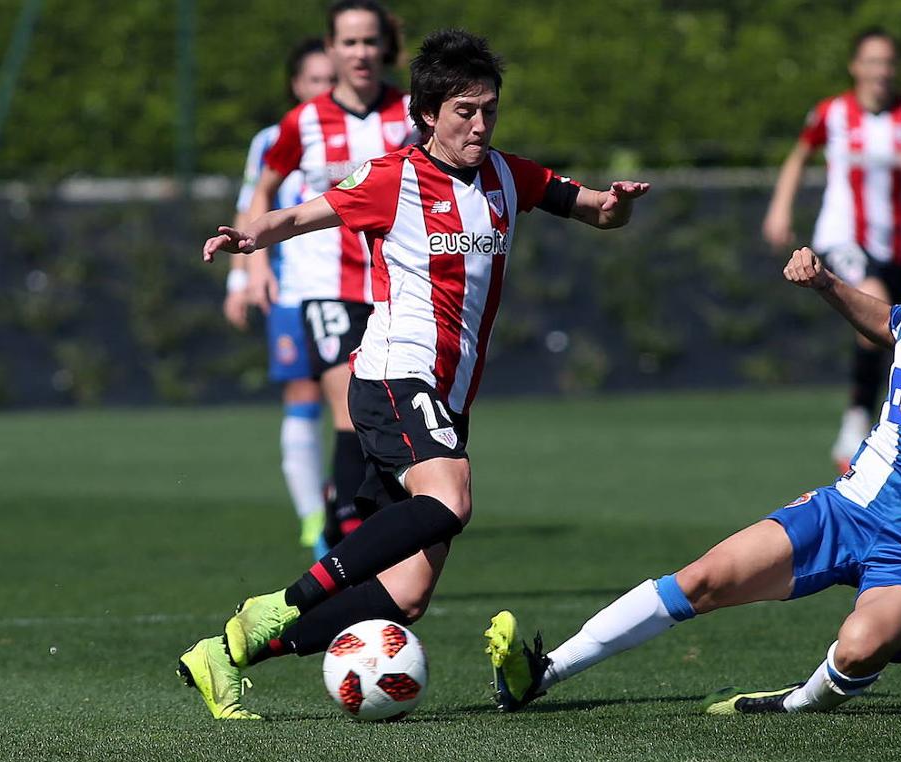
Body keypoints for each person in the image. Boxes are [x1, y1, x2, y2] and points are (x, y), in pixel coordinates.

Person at [485, 117, 901, 716]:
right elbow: (890, 327)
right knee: (702, 579)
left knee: (860, 646)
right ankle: (541, 673)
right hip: (849, 507)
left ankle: (797, 704)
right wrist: (828, 285)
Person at [178, 27, 650, 720]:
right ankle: (272, 609)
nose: (480, 124)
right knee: (451, 498)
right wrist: (252, 237)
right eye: (465, 111)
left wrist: (619, 204)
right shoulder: (392, 177)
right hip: (396, 376)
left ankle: (225, 654)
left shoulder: (510, 176)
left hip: (447, 397)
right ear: (429, 112)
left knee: (407, 595)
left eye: (489, 108)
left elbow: (597, 213)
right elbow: (307, 212)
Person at [243, 0, 418, 554]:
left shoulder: (414, 114)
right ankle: (343, 541)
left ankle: (360, 521)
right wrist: (252, 265)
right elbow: (264, 190)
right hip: (326, 286)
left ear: (383, 46)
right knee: (349, 407)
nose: (361, 53)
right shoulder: (306, 121)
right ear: (332, 47)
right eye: (349, 43)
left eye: (369, 42)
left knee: (390, 414)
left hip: (397, 285)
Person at [762, 27, 901, 475]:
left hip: (899, 246)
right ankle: (855, 420)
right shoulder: (834, 113)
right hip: (843, 237)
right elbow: (798, 155)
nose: (880, 71)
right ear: (855, 66)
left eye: (888, 62)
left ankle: (886, 425)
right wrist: (780, 208)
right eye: (872, 61)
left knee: (896, 332)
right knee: (874, 303)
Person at [223, 38, 337, 555]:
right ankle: (315, 520)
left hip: (351, 290)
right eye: (315, 80)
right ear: (297, 85)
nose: (324, 89)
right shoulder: (273, 138)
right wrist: (242, 279)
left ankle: (352, 509)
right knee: (302, 397)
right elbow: (252, 206)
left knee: (359, 406)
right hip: (292, 291)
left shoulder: (358, 133)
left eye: (331, 80)